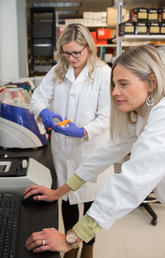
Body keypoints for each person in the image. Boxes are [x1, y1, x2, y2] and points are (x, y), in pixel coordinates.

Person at [25, 44, 165, 255]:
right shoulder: (142, 114)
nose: (115, 92)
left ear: (151, 82)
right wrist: (59, 191)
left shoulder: (162, 117)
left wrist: (70, 238)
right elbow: (104, 154)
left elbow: (133, 181)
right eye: (114, 84)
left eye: (123, 84)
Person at [29, 23, 112, 258]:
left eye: (77, 52)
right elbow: (38, 97)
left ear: (88, 47)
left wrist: (83, 131)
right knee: (66, 199)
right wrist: (44, 112)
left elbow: (106, 117)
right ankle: (70, 246)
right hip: (63, 152)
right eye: (66, 52)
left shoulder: (103, 73)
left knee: (90, 204)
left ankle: (87, 247)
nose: (72, 58)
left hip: (90, 150)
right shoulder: (58, 70)